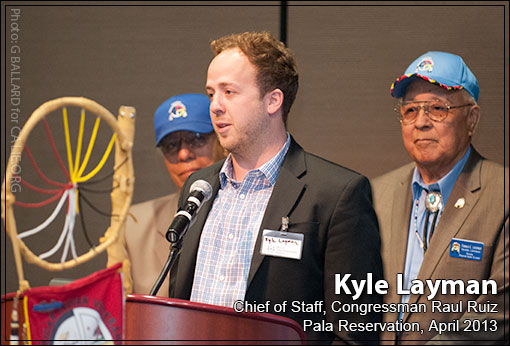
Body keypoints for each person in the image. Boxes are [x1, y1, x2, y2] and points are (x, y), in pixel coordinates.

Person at [168, 31, 383, 344]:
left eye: (229, 92)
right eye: (211, 93)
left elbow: (354, 332)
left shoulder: (337, 195)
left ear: (273, 100)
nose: (215, 106)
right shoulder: (198, 188)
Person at [371, 51, 508, 344]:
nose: (421, 122)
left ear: (472, 119)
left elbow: (498, 314)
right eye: (410, 110)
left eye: (437, 108)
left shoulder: (503, 195)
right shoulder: (375, 194)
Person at [125, 93, 225, 296]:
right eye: (171, 145)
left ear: (222, 141)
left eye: (197, 139)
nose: (183, 154)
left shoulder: (254, 213)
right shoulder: (134, 225)